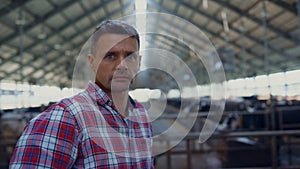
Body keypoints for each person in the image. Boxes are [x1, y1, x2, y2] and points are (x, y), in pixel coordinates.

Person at [10, 20, 154, 168]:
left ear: (139, 62)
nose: (122, 65)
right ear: (92, 62)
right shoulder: (65, 119)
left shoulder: (141, 115)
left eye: (130, 56)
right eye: (110, 56)